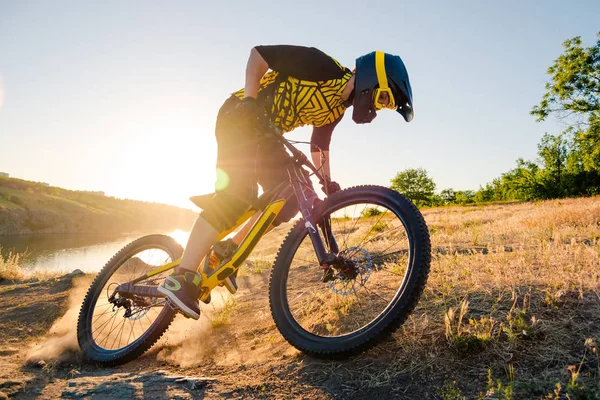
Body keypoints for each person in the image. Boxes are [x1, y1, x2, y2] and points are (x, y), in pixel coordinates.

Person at [158, 45, 414, 319]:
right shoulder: (321, 66)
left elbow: (319, 144)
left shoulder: (335, 110)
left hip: (268, 134)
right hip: (238, 118)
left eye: (384, 105)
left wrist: (326, 182)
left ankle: (225, 249)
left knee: (292, 198)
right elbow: (258, 56)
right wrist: (250, 101)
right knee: (236, 196)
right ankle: (181, 277)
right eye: (383, 98)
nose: (378, 106)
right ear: (373, 78)